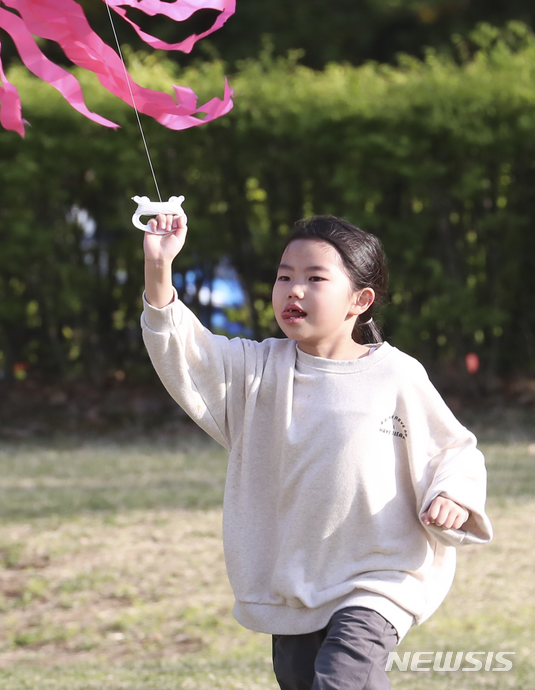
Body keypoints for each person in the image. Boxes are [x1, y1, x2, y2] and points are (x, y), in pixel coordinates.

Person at [140, 212, 493, 690]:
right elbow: (185, 351)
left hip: (378, 579)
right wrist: (159, 268)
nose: (293, 290)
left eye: (314, 278)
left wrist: (451, 495)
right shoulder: (256, 372)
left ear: (360, 300)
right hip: (294, 586)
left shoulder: (396, 374)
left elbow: (454, 450)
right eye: (284, 276)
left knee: (341, 681)